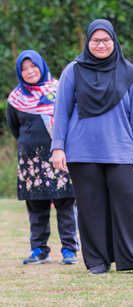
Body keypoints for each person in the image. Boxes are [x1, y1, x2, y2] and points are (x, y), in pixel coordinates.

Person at [51, 19, 133, 275]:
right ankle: (98, 261)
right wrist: (58, 147)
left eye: (106, 40)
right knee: (90, 208)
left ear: (114, 41)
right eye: (95, 40)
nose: (101, 45)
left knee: (130, 206)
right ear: (88, 42)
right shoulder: (73, 71)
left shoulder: (129, 72)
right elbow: (62, 112)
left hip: (122, 151)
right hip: (81, 151)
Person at [6, 50, 78, 265]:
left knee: (65, 203)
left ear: (42, 66)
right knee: (36, 205)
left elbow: (70, 119)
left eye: (33, 66)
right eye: (24, 69)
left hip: (59, 157)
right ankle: (39, 249)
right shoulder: (15, 98)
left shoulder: (59, 91)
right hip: (30, 161)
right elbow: (14, 127)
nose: (29, 72)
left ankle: (69, 250)